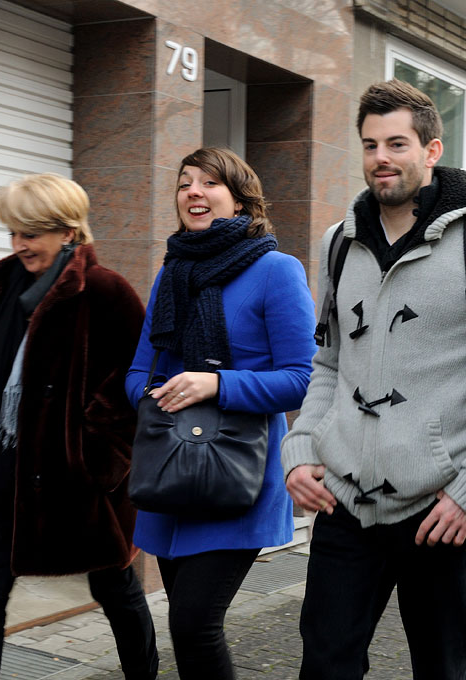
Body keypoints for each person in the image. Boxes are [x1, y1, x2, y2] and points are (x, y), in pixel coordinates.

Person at [280, 79, 466, 679]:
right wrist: (300, 448)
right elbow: (329, 363)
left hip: (441, 509)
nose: (381, 158)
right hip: (343, 503)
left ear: (431, 150)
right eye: (369, 145)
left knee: (441, 669)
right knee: (323, 666)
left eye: (396, 143)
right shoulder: (339, 244)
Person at [0, 174, 158, 680]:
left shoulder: (105, 290)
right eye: (14, 233)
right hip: (4, 478)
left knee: (117, 593)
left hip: (77, 486)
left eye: (32, 233)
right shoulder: (9, 287)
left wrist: (96, 464)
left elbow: (135, 386)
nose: (20, 245)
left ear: (68, 232)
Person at [124, 147, 316, 679]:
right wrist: (158, 396)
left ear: (238, 200)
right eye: (185, 182)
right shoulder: (172, 273)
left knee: (195, 625)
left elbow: (303, 378)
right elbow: (139, 372)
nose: (192, 191)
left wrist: (214, 384)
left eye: (209, 182)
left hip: (237, 474)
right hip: (170, 470)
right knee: (186, 632)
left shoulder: (277, 270)